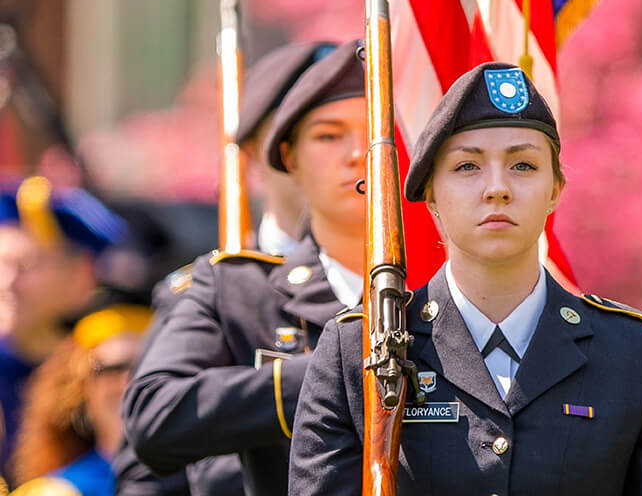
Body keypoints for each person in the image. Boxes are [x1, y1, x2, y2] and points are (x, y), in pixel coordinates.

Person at [288, 62, 642, 495]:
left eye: (523, 165)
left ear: (555, 189)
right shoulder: (358, 348)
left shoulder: (633, 353)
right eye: (468, 167)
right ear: (431, 195)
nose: (497, 188)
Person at [121, 40, 368, 496]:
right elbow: (149, 457)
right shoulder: (225, 286)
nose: (356, 154)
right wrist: (329, 376)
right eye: (327, 134)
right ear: (275, 152)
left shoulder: (435, 281)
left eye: (371, 130)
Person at [0, 177, 126, 478]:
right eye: (0, 264)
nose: (7, 283)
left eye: (24, 265)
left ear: (82, 275)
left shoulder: (109, 369)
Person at [9, 290, 153, 495]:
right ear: (80, 388)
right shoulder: (54, 491)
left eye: (145, 367)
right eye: (112, 368)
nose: (128, 383)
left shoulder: (201, 478)